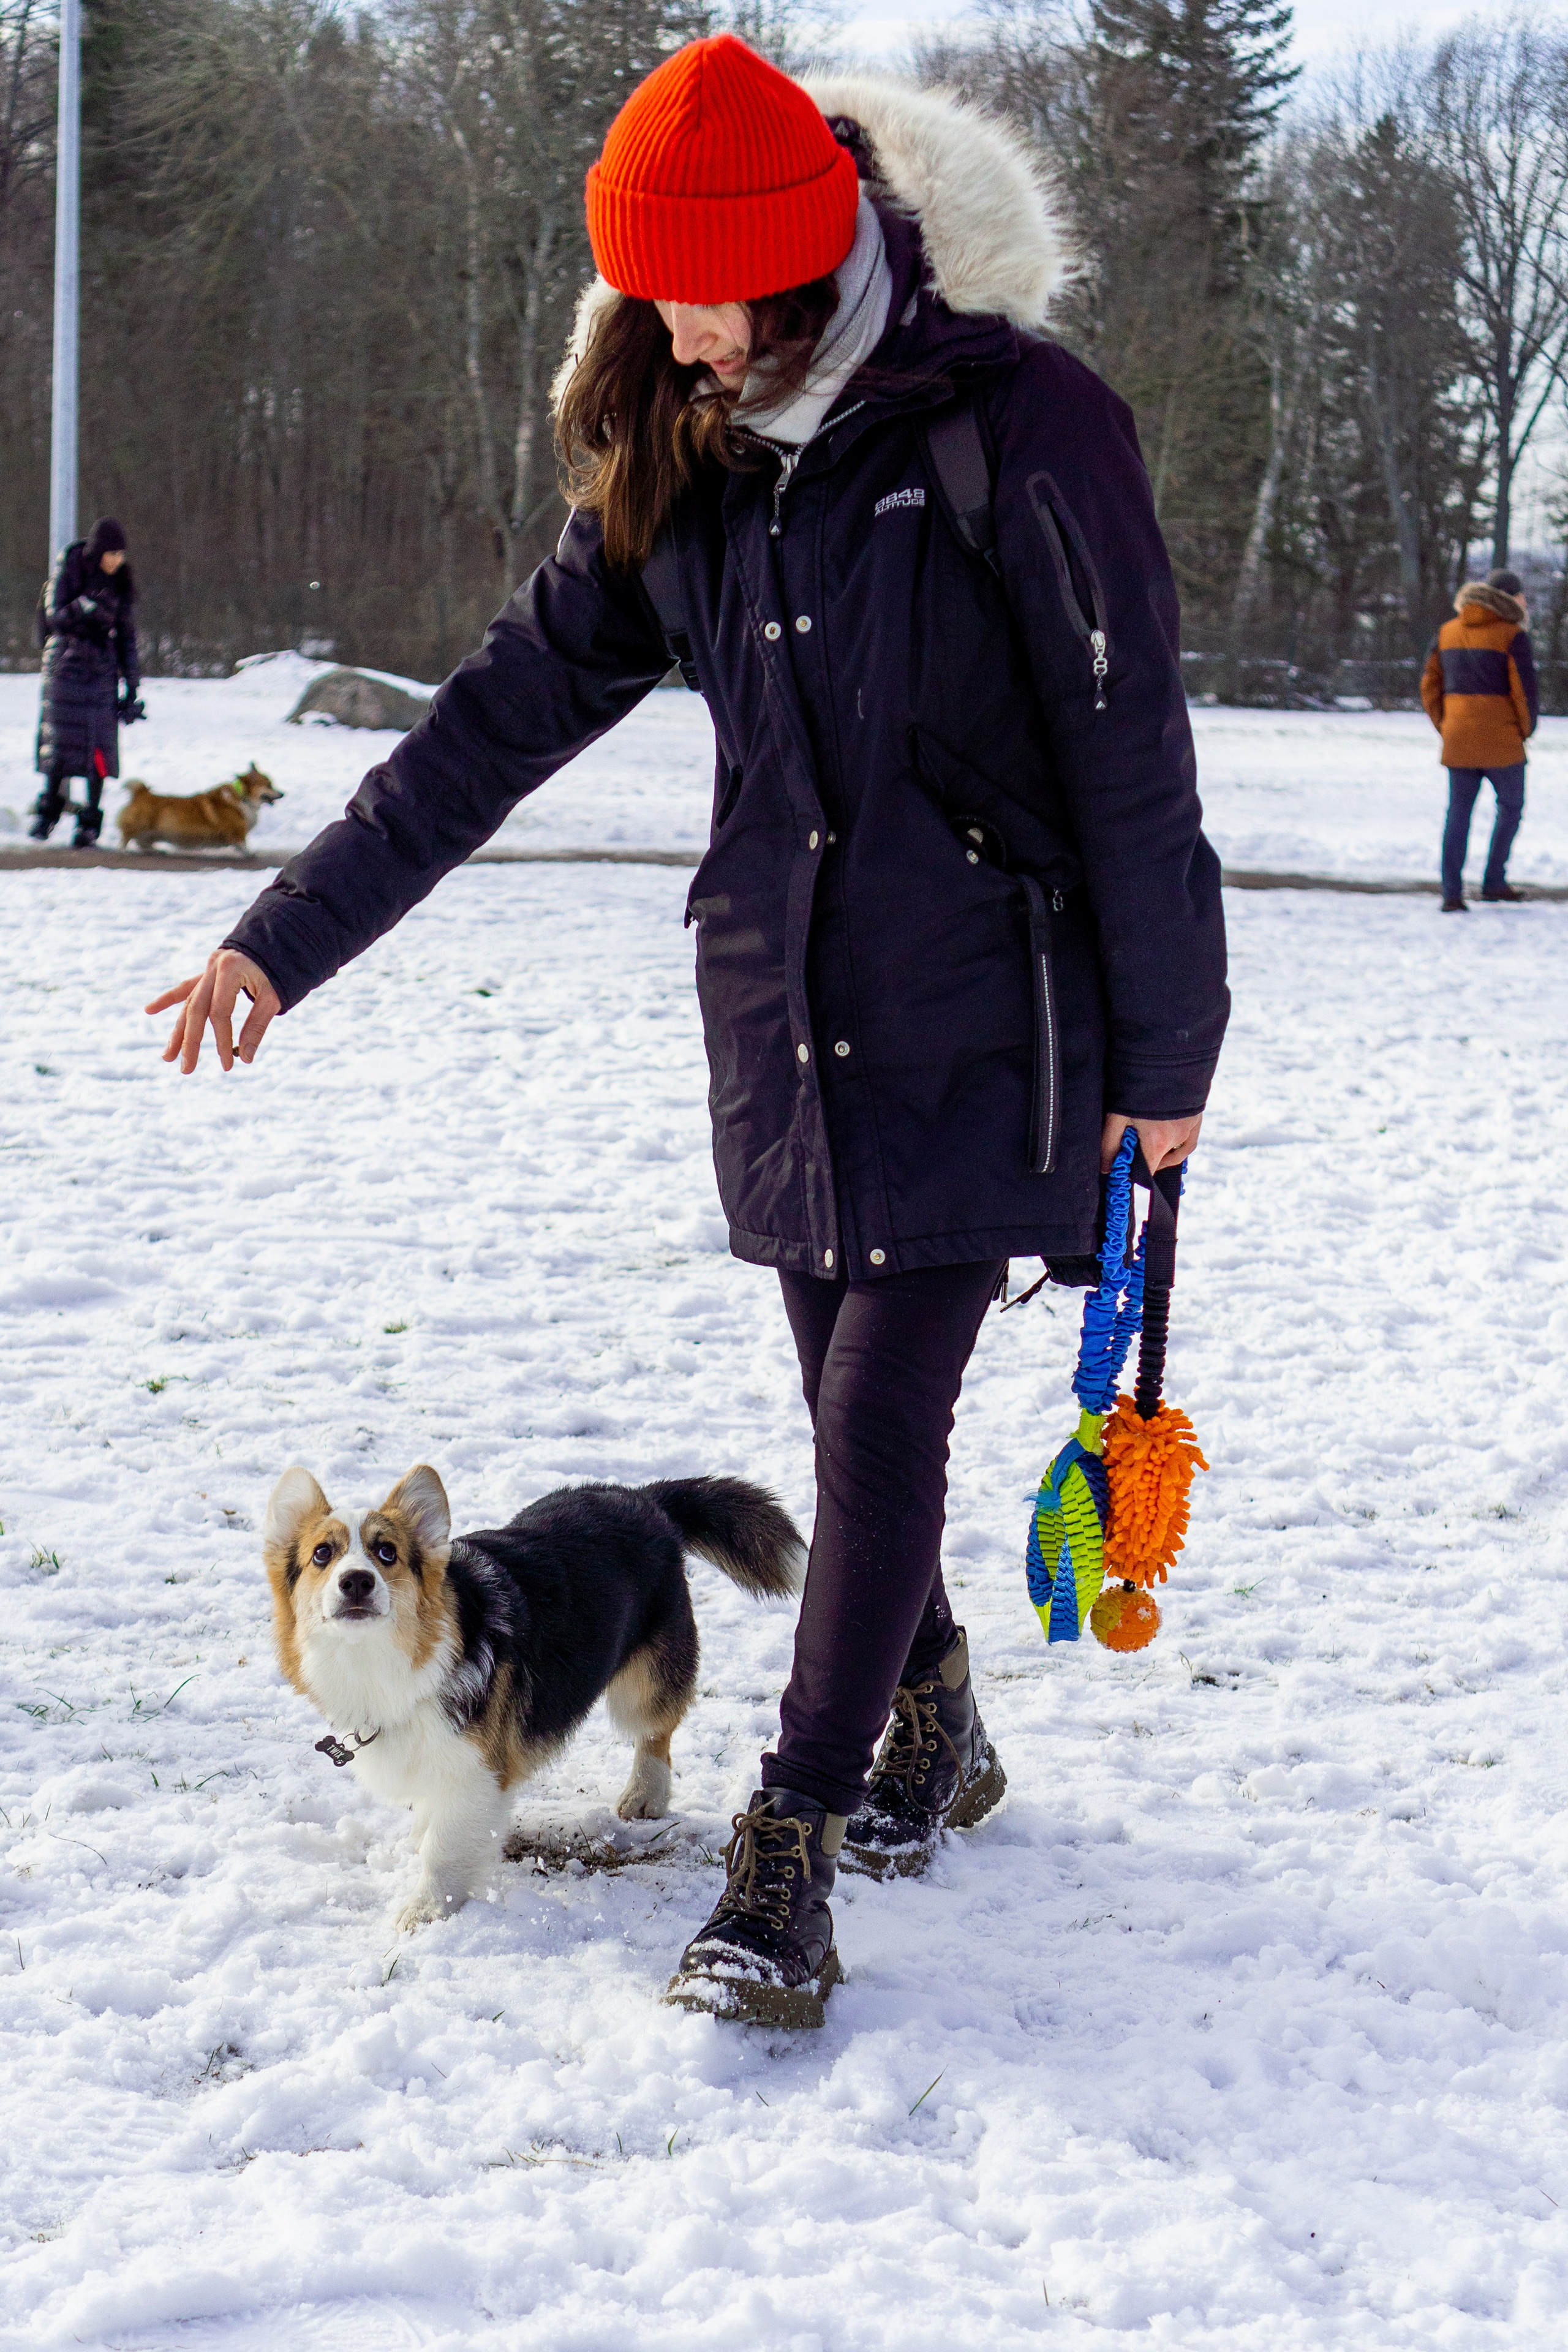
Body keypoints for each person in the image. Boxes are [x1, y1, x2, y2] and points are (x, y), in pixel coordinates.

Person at [146, 40, 1229, 2027]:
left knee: (880, 1423)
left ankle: (785, 1859)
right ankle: (940, 1718)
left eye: (718, 290)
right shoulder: (677, 443)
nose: (686, 330)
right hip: (785, 1034)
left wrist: (1171, 1063)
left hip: (989, 1025)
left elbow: (1135, 760)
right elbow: (488, 724)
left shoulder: (1023, 428)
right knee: (845, 1411)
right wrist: (279, 943)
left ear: (819, 246)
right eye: (651, 291)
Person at [1422, 566, 1538, 911]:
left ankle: (1452, 894)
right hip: (1503, 743)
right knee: (1511, 809)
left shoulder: (1446, 632)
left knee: (1458, 814)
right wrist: (1525, 729)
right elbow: (1524, 692)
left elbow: (1429, 686)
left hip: (1458, 739)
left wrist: (1446, 724)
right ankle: (1494, 881)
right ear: (1509, 599)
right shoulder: (1512, 635)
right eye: (1521, 596)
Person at [31, 516, 143, 849]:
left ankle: (90, 821)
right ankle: (48, 812)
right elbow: (55, 619)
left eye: (121, 554)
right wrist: (85, 605)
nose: (118, 560)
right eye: (112, 554)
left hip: (101, 678)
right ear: (97, 553)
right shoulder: (67, 574)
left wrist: (133, 685)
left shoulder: (120, 584)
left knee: (98, 750)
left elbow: (127, 638)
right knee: (60, 746)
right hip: (64, 674)